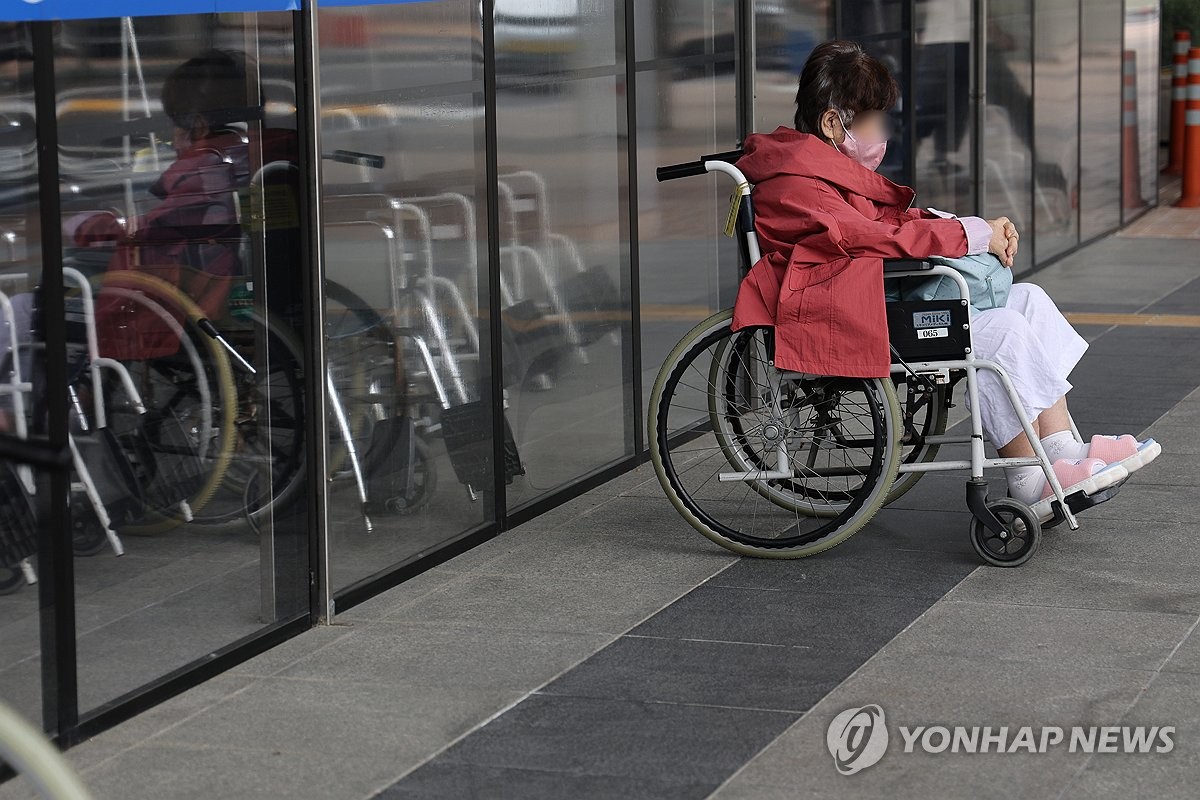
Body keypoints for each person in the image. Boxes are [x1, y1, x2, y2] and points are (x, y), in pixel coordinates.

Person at [730, 40, 1159, 521]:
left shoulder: (817, 166)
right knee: (1000, 333)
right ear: (834, 123)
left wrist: (975, 231)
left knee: (1030, 301)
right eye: (876, 119)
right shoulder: (797, 180)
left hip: (876, 293)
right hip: (850, 310)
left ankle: (1063, 449)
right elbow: (870, 237)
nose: (885, 131)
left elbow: (887, 226)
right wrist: (971, 235)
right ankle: (1030, 478)